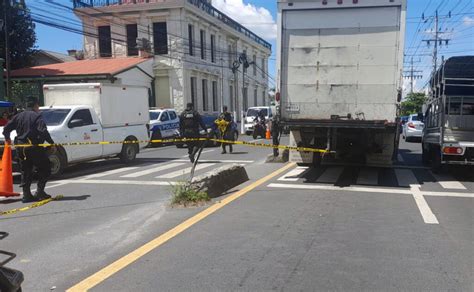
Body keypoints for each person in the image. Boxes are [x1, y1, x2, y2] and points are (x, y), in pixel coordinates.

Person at [3, 100, 55, 203]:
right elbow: (43, 131)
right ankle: (40, 192)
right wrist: (51, 143)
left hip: (20, 147)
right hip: (33, 147)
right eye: (38, 106)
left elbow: (6, 128)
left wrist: (7, 138)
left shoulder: (18, 116)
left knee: (25, 170)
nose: (38, 108)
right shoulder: (36, 116)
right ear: (35, 106)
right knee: (46, 167)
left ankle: (26, 195)